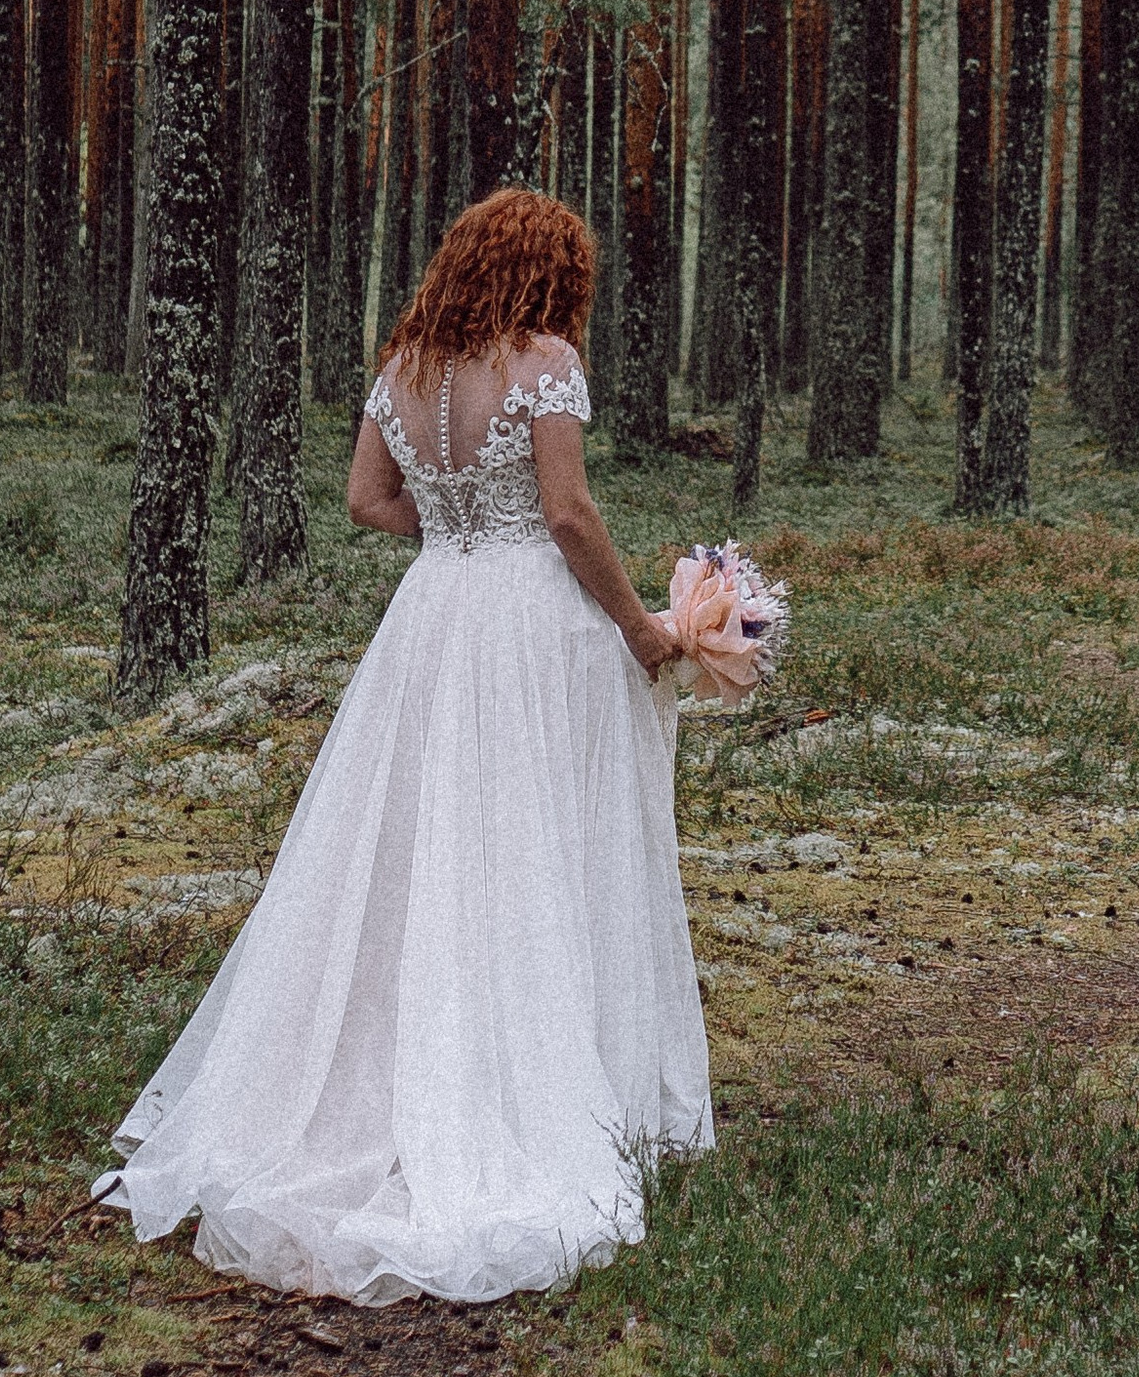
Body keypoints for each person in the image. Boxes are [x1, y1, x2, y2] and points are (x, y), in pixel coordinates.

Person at [94, 187, 712, 1305]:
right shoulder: (548, 363)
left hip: (433, 620)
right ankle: (524, 1085)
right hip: (530, 626)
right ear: (548, 270)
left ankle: (371, 1074)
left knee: (413, 847)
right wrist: (644, 629)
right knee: (531, 843)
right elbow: (570, 516)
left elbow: (364, 500)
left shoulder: (409, 366)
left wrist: (461, 531)